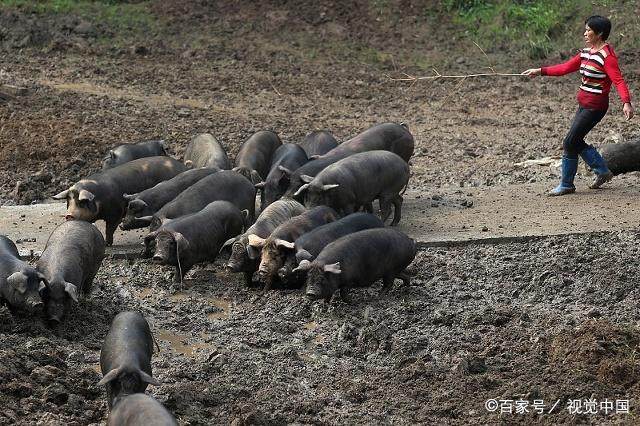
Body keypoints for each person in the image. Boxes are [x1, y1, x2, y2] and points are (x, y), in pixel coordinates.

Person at [522, 15, 634, 196]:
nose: (585, 33)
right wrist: (540, 71)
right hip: (583, 104)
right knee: (574, 140)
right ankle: (602, 170)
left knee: (570, 142)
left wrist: (626, 103)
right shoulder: (586, 53)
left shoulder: (607, 56)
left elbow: (619, 81)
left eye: (589, 30)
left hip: (596, 106)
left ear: (600, 33)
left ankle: (567, 184)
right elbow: (565, 68)